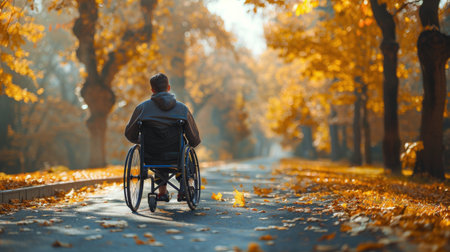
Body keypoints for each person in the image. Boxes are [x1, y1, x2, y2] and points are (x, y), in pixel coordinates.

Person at [124, 73, 201, 201]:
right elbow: (194, 139)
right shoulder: (182, 109)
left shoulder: (142, 108)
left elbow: (129, 134)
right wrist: (191, 143)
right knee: (185, 156)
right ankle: (186, 185)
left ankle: (162, 193)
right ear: (168, 87)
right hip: (176, 155)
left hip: (151, 154)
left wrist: (142, 141)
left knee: (158, 157)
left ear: (152, 90)